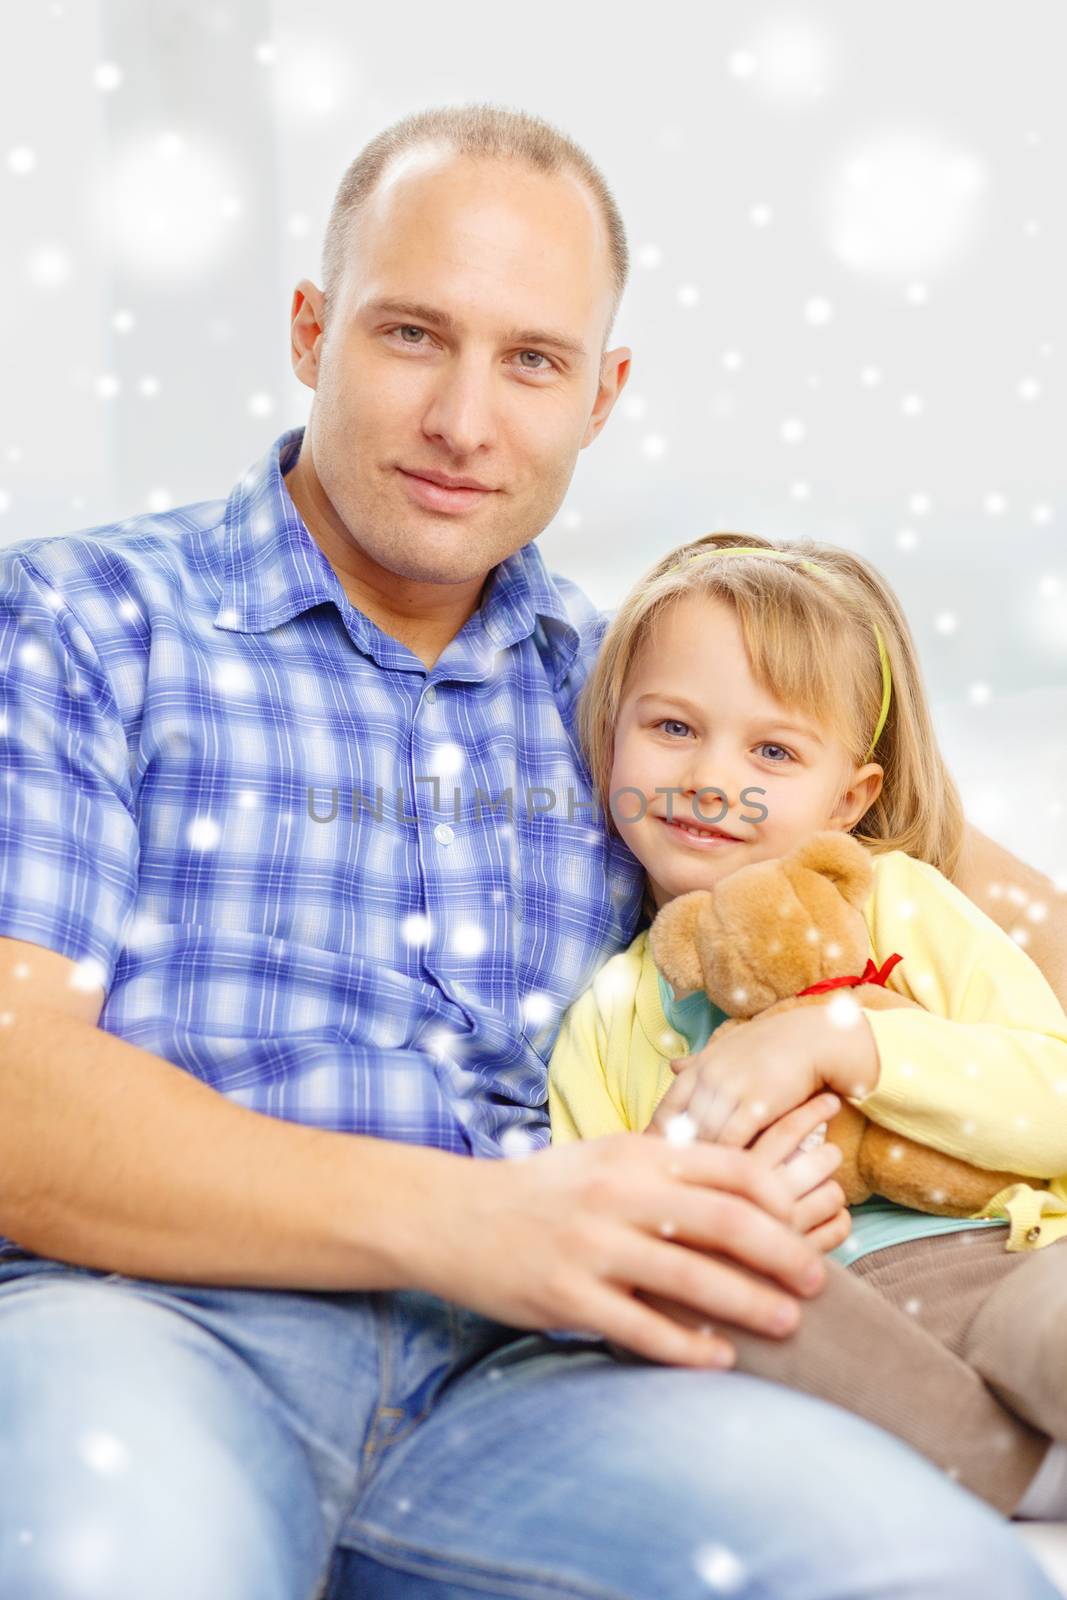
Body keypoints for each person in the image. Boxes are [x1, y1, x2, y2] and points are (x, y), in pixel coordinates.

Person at [0, 103, 1062, 1599]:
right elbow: (12, 1090)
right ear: (310, 329)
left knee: (930, 1578)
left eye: (532, 360)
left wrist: (844, 1058)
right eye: (410, 335)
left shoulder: (640, 694)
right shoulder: (77, 620)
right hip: (155, 1325)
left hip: (555, 1379)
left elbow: (971, 892)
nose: (463, 421)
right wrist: (478, 1220)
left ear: (603, 393)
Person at [547, 532, 1067, 1520]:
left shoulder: (902, 906)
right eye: (669, 727)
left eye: (772, 750)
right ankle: (1026, 1478)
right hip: (812, 1306)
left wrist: (842, 1037)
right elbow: (598, 1246)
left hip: (999, 1255)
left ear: (850, 795)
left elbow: (1052, 1093)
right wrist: (678, 1189)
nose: (709, 777)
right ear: (609, 734)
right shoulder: (612, 1008)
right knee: (716, 1321)